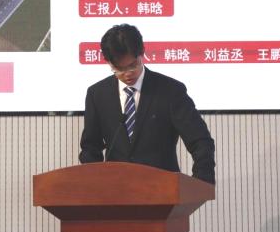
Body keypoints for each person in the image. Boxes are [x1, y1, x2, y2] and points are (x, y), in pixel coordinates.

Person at [79, 23, 216, 184]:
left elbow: (200, 141)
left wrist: (201, 182)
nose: (127, 74)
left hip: (162, 189)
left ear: (142, 53)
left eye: (133, 65)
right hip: (115, 189)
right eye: (119, 69)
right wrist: (93, 184)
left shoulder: (171, 90)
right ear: (108, 62)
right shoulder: (97, 94)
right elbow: (90, 148)